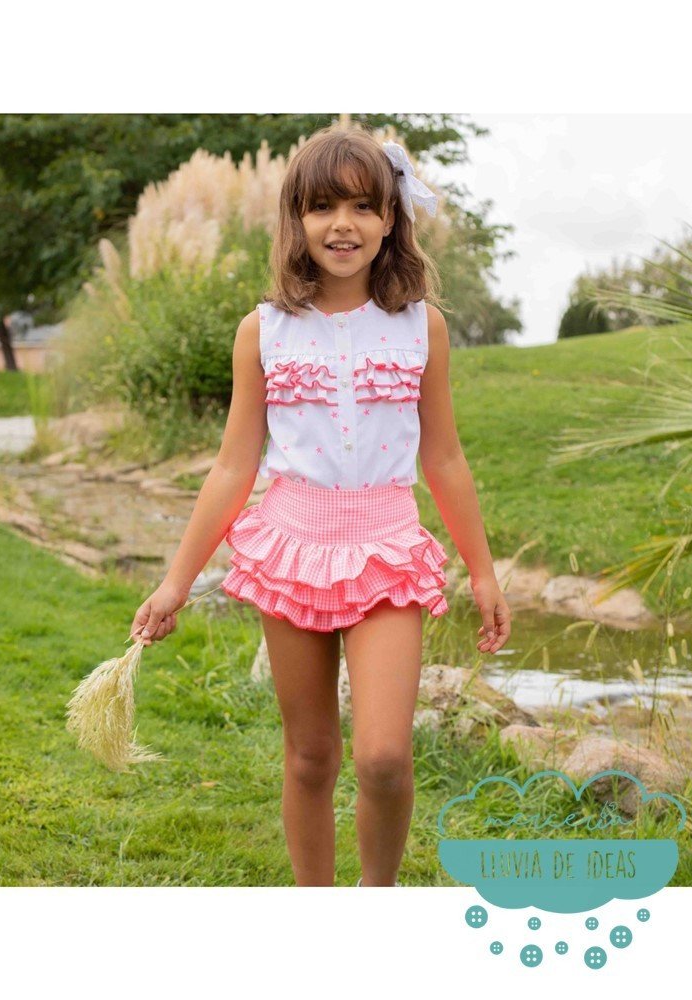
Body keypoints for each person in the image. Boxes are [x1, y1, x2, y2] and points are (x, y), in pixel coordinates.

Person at [129, 122, 511, 887]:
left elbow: (443, 457)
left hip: (386, 550)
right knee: (310, 755)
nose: (344, 224)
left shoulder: (422, 327)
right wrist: (175, 583)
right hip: (291, 550)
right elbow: (233, 466)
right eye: (324, 206)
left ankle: (376, 893)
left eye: (364, 206)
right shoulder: (263, 332)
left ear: (391, 219)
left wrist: (482, 570)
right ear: (295, 220)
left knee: (383, 756)